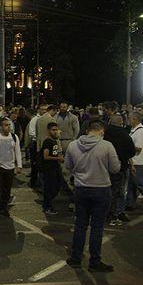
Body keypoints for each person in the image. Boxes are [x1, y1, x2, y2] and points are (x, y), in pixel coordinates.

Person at [64, 120, 121, 272]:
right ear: (101, 131)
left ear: (87, 130)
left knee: (80, 224)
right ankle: (95, 261)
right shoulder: (106, 146)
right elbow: (115, 168)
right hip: (101, 189)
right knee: (97, 227)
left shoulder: (73, 145)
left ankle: (76, 257)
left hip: (81, 188)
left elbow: (67, 166)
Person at [0, 118, 22, 219]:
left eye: (9, 125)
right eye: (6, 125)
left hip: (10, 168)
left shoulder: (14, 137)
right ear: (1, 127)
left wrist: (19, 165)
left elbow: (18, 152)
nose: (8, 127)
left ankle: (4, 208)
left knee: (7, 190)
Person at [103, 114, 136, 226]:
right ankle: (113, 214)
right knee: (117, 191)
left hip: (104, 167)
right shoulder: (125, 135)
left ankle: (106, 212)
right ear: (121, 122)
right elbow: (132, 152)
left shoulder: (104, 133)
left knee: (106, 190)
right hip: (120, 167)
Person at [40, 122, 64, 214]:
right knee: (50, 188)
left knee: (56, 187)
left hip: (55, 167)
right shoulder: (48, 142)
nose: (55, 132)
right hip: (49, 169)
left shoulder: (54, 141)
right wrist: (58, 158)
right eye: (53, 130)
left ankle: (48, 205)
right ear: (48, 131)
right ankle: (47, 207)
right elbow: (45, 156)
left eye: (56, 130)